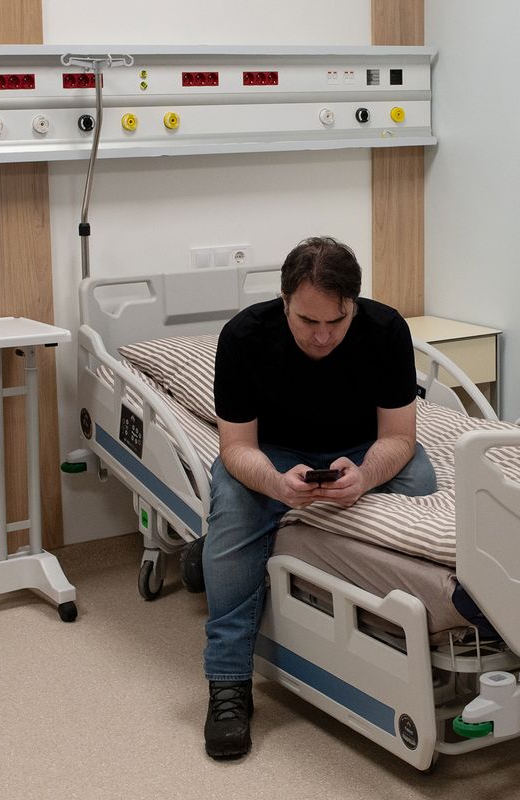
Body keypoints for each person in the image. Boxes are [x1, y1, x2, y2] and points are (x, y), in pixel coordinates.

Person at [184, 236, 438, 759]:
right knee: (236, 501)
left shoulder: (387, 330)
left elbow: (400, 438)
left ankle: (208, 554)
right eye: (307, 321)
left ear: (355, 306)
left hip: (360, 446)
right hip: (271, 452)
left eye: (337, 322)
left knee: (421, 484)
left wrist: (365, 476)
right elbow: (235, 448)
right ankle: (229, 681)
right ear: (283, 304)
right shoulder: (244, 337)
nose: (322, 337)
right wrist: (277, 485)